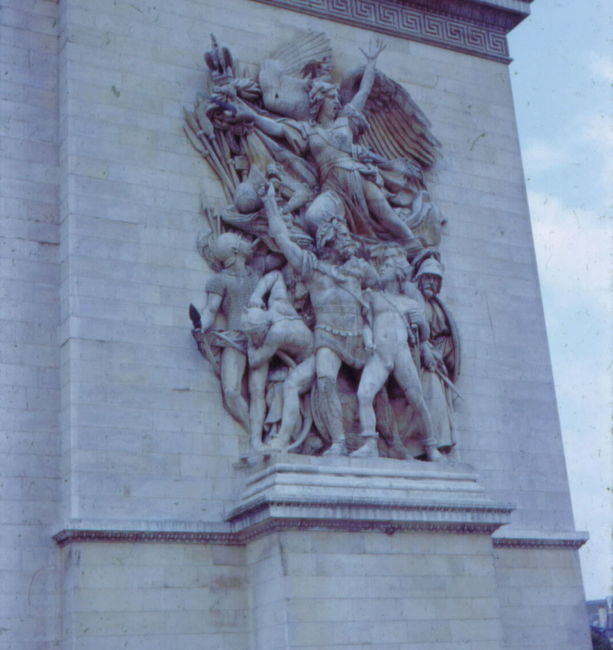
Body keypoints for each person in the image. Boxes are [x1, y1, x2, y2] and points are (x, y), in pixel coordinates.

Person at [230, 40, 424, 257]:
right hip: (332, 187)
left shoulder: (345, 120)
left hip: (356, 176)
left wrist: (371, 63)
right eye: (332, 99)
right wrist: (253, 117)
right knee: (313, 216)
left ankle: (415, 247)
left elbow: (363, 92)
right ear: (320, 102)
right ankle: (337, 255)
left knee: (386, 214)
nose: (336, 103)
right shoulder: (308, 131)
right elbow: (277, 128)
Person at [261, 184, 378, 455]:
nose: (347, 238)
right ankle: (334, 442)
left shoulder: (359, 268)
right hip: (327, 337)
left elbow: (381, 291)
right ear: (329, 239)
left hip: (361, 339)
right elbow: (281, 237)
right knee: (323, 380)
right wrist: (270, 204)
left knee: (377, 386)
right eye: (342, 234)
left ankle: (378, 440)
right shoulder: (311, 268)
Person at [354, 245, 443, 460]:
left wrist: (422, 323)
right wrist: (367, 338)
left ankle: (432, 447)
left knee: (417, 400)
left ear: (397, 273)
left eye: (386, 266)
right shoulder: (373, 297)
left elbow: (423, 336)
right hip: (379, 354)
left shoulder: (410, 302)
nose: (381, 270)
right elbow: (367, 323)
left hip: (401, 354)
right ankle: (369, 443)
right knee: (364, 395)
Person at [242, 269, 315, 450]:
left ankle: (282, 439)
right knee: (264, 386)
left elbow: (254, 360)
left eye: (255, 335)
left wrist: (251, 345)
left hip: (310, 359)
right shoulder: (276, 303)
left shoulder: (276, 333)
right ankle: (258, 439)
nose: (255, 339)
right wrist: (256, 295)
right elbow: (274, 275)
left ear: (263, 328)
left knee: (291, 386)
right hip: (291, 354)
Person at [414, 257, 459, 453]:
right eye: (428, 278)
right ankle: (429, 445)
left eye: (435, 280)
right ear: (420, 278)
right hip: (417, 358)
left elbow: (446, 338)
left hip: (433, 361)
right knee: (430, 391)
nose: (431, 282)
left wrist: (439, 353)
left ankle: (438, 443)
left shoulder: (436, 307)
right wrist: (425, 349)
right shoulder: (413, 299)